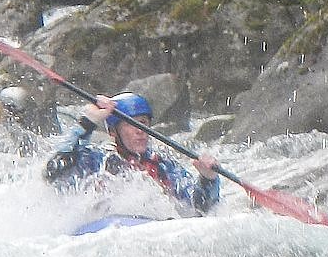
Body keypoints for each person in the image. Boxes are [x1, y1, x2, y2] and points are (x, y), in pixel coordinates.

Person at [45, 91, 221, 216]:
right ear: (113, 132)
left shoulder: (163, 166)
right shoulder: (96, 160)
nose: (140, 131)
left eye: (143, 123)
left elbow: (199, 208)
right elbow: (52, 171)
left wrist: (208, 179)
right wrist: (87, 124)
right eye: (131, 124)